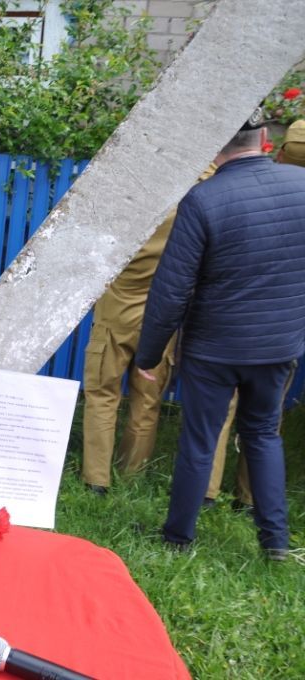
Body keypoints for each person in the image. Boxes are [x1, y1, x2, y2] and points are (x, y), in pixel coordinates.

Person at [134, 109, 305, 561]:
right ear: (265, 138)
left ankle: (177, 538)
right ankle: (275, 543)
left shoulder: (203, 200)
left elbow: (171, 290)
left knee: (199, 440)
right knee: (263, 435)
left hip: (214, 348)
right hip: (278, 346)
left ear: (214, 147)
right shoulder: (302, 188)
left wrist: (148, 355)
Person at [81, 165, 235, 498]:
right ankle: (132, 473)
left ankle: (96, 480)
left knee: (102, 394)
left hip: (115, 310)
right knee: (147, 401)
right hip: (161, 316)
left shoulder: (126, 195)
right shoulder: (195, 198)